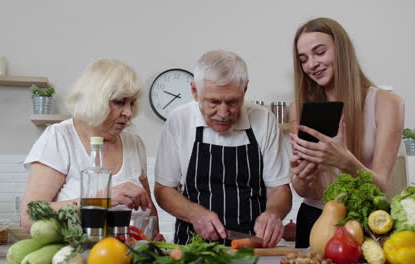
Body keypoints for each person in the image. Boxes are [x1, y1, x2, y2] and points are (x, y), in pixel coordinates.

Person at [154, 50, 292, 247]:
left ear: (245, 90)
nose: (223, 112)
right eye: (214, 102)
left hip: (250, 247)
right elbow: (163, 190)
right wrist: (195, 214)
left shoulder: (264, 120)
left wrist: (273, 214)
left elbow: (279, 189)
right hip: (192, 247)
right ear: (195, 92)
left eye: (233, 101)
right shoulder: (179, 120)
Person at [289, 17, 404, 248]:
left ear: (341, 50)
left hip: (365, 222)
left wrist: (345, 161)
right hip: (314, 219)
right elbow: (304, 191)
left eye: (319, 52)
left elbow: (381, 186)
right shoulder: (299, 107)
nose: (311, 64)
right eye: (304, 59)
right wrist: (302, 176)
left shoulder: (386, 103)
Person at [21, 59, 164, 241]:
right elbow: (29, 217)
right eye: (120, 102)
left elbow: (147, 209)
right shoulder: (60, 137)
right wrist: (102, 200)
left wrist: (154, 240)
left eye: (132, 103)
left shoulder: (133, 143)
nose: (128, 112)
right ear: (95, 100)